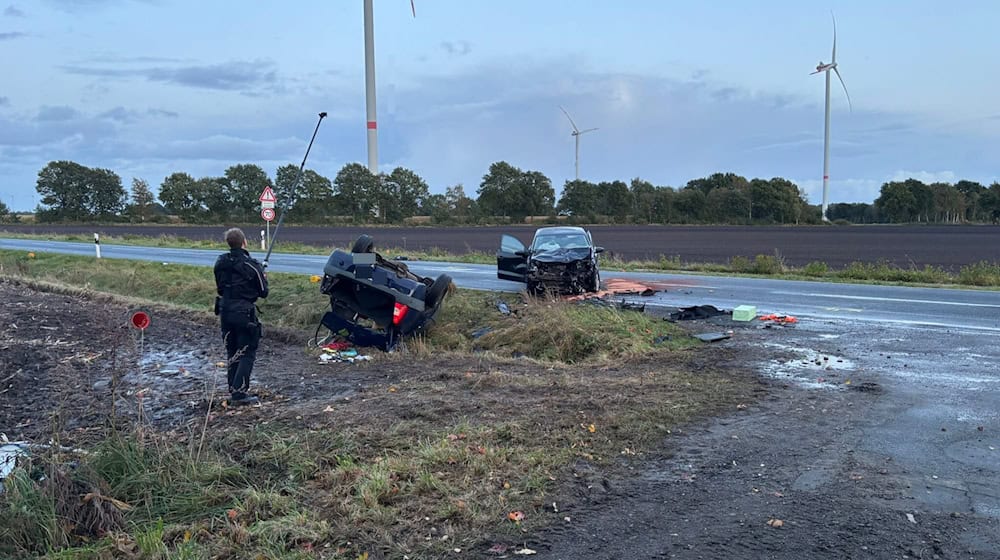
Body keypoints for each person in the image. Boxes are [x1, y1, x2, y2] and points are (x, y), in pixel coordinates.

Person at [213, 227, 269, 406]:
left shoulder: (220, 262)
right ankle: (239, 393)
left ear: (228, 243)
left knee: (232, 350)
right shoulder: (251, 265)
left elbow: (220, 288)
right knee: (247, 351)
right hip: (244, 312)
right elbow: (263, 291)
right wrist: (263, 276)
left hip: (225, 310)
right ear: (244, 242)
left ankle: (233, 387)